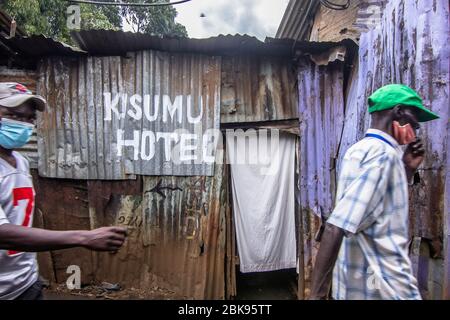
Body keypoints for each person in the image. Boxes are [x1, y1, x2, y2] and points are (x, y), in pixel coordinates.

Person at [310, 84, 440, 300]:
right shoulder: (384, 156)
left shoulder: (358, 150)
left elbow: (373, 209)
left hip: (355, 286)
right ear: (399, 112)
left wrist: (406, 168)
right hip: (385, 290)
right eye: (415, 121)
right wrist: (316, 296)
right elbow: (336, 226)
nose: (416, 130)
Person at [0, 82, 127, 300]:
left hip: (25, 284)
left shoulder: (20, 162)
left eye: (29, 118)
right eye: (14, 115)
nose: (24, 124)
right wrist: (83, 237)